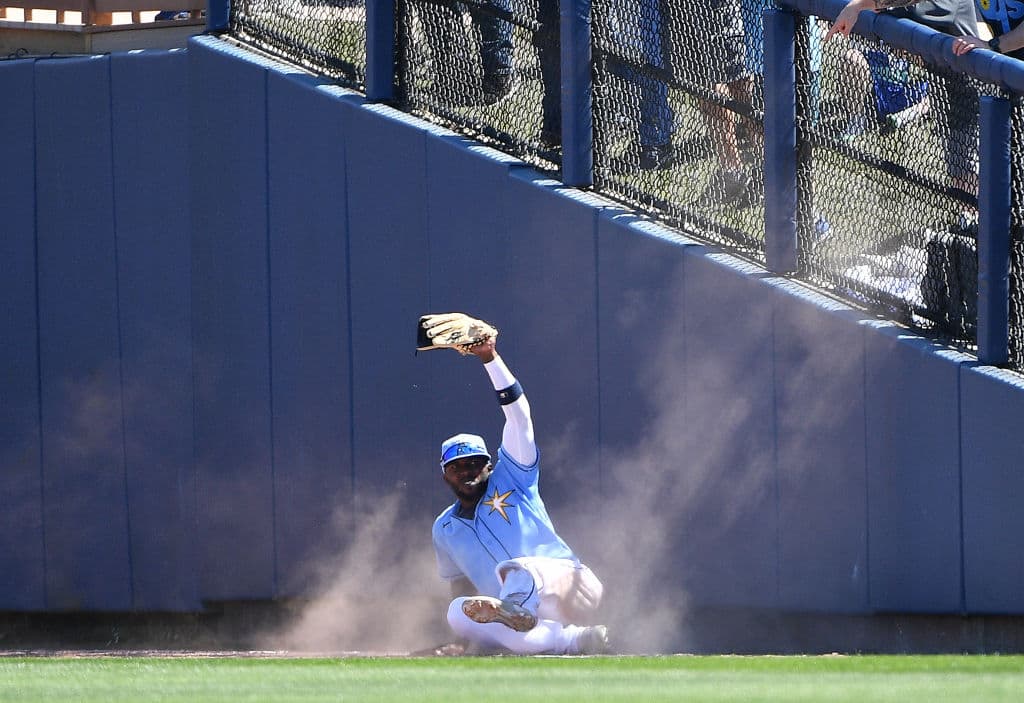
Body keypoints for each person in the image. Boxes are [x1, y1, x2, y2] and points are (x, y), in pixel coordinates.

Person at [430, 329, 608, 655]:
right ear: (445, 475)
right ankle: (573, 640)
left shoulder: (514, 478)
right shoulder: (444, 527)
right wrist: (465, 633)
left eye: (475, 463)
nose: (467, 471)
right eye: (457, 466)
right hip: (529, 616)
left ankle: (514, 616)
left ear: (488, 465)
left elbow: (520, 417)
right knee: (457, 610)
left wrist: (489, 358)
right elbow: (459, 583)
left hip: (568, 585)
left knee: (521, 567)